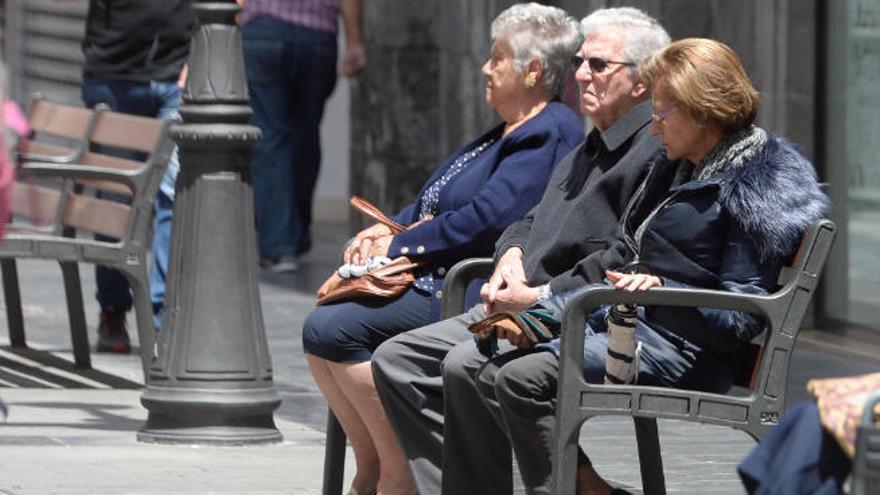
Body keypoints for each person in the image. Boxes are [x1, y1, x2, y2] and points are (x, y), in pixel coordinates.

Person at [457, 38, 831, 495]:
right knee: (491, 367)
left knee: (519, 378)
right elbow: (625, 272)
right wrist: (542, 318)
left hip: (687, 353)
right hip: (634, 326)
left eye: (662, 114)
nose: (653, 128)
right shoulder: (679, 168)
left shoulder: (752, 186)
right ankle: (592, 489)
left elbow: (740, 316)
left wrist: (659, 286)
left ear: (702, 109)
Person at [371, 7, 671, 495]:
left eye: (598, 65)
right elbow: (528, 219)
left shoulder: (652, 150)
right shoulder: (588, 146)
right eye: (579, 62)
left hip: (568, 314)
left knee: (467, 365)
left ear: (642, 81)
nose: (579, 75)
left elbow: (626, 256)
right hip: (521, 301)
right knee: (398, 358)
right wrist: (510, 255)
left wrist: (539, 296)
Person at [303, 4, 585, 494]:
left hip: (467, 284)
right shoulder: (509, 130)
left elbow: (487, 221)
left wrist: (403, 242)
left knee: (333, 328)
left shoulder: (549, 131)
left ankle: (401, 471)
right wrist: (390, 227)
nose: (485, 68)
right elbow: (442, 199)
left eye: (497, 58)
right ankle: (372, 467)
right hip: (440, 270)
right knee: (323, 325)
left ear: (533, 70)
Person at [66, 0, 196, 352]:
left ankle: (161, 317)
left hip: (177, 74)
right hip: (112, 74)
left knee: (174, 192)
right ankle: (113, 309)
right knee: (115, 200)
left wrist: (203, 53)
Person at [240, 0, 366, 273]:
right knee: (304, 138)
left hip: (264, 32)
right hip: (317, 37)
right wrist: (355, 41)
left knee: (270, 139)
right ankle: (293, 235)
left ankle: (279, 246)